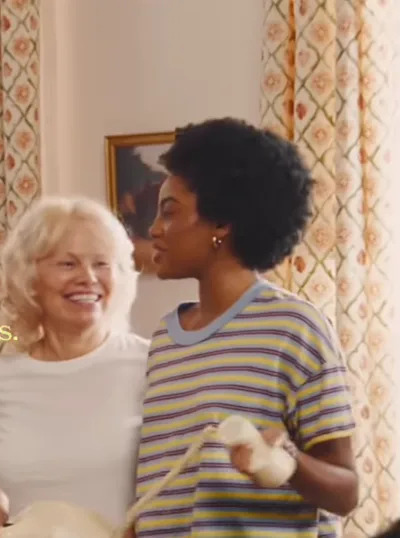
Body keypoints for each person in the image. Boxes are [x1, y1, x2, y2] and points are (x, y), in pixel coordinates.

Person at [133, 117, 359, 537]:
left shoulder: (294, 329)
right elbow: (162, 489)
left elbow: (346, 492)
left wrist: (286, 458)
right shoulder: (165, 339)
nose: (154, 229)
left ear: (221, 223)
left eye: (169, 212)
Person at [0, 196, 150, 533]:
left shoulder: (152, 365)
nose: (88, 278)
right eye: (68, 264)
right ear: (29, 277)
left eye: (102, 264)